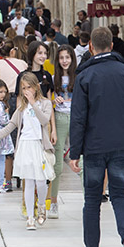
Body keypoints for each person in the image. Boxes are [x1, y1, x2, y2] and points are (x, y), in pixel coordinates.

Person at [68, 27, 124, 247]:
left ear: (91, 46)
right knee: (119, 195)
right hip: (122, 143)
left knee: (91, 200)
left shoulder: (85, 76)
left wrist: (75, 151)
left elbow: (78, 116)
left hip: (94, 146)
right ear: (112, 45)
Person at [0, 73, 55, 231]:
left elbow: (45, 120)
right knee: (29, 182)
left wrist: (33, 103)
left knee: (42, 181)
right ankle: (30, 217)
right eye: (23, 88)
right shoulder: (21, 108)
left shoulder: (44, 103)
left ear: (36, 86)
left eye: (29, 87)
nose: (26, 90)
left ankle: (42, 205)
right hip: (25, 145)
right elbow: (9, 127)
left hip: (39, 146)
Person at [50, 45, 77, 218]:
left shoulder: (79, 77)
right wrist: (54, 100)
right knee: (57, 163)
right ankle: (53, 202)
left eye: (67, 57)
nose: (65, 61)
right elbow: (48, 102)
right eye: (61, 58)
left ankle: (90, 199)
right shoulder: (53, 79)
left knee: (80, 160)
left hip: (75, 119)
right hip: (59, 118)